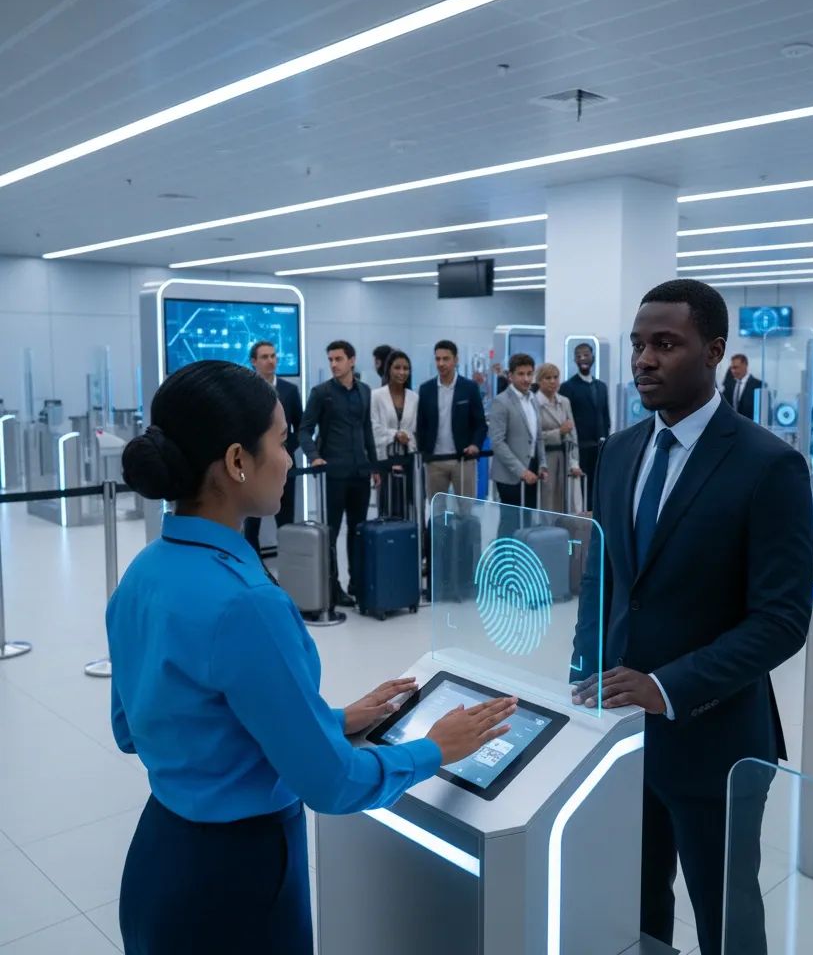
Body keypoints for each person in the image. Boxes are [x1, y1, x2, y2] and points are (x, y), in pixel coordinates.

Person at [111, 359, 516, 955]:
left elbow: (134, 729)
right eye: (282, 440)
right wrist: (436, 749)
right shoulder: (248, 604)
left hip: (160, 862)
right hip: (239, 881)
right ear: (236, 461)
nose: (292, 456)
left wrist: (328, 720)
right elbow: (331, 784)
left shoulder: (143, 574)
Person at [571, 279, 813, 955]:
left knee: (725, 916)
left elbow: (783, 619)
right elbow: (605, 574)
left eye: (666, 345)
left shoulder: (770, 466)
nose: (644, 360)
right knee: (635, 906)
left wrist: (668, 686)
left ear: (713, 352)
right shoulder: (617, 451)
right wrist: (581, 672)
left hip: (716, 744)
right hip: (620, 739)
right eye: (638, 345)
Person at [299, 340, 379, 612]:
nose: (333, 364)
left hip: (360, 472)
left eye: (338, 359)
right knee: (330, 533)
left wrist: (374, 465)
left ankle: (358, 584)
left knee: (358, 531)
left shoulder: (365, 391)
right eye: (330, 359)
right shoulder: (321, 393)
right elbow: (304, 429)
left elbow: (366, 429)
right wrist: (314, 456)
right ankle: (333, 589)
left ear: (352, 360)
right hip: (333, 473)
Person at [243, 341, 303, 556]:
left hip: (284, 463)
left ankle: (290, 564)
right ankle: (253, 566)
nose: (271, 361)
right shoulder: (244, 390)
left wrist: (284, 449)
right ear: (254, 362)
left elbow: (300, 425)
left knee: (286, 519)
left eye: (273, 356)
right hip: (253, 464)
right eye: (265, 357)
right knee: (251, 521)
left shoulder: (290, 390)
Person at [417, 339, 487, 504]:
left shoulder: (469, 388)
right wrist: (424, 453)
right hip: (435, 460)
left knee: (466, 511)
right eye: (438, 359)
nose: (441, 363)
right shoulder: (426, 389)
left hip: (462, 459)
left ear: (456, 360)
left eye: (446, 358)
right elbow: (421, 424)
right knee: (437, 512)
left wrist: (476, 445)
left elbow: (480, 423)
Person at [490, 353, 547, 534]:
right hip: (510, 474)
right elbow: (497, 443)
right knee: (510, 523)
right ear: (511, 376)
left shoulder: (533, 399)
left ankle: (522, 561)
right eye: (521, 374)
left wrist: (543, 464)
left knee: (527, 521)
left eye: (529, 373)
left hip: (532, 468)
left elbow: (538, 436)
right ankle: (503, 560)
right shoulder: (501, 401)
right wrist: (521, 471)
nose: (526, 378)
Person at [559, 342, 610, 511]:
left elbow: (605, 416)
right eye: (579, 356)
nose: (583, 359)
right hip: (578, 448)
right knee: (578, 493)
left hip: (599, 447)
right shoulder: (567, 387)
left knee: (597, 489)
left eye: (586, 355)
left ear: (593, 357)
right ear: (574, 360)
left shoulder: (601, 386)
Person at [370, 349, 418, 519]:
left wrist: (408, 438)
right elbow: (373, 428)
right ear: (389, 369)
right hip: (385, 461)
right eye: (397, 367)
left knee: (409, 506)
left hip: (409, 461)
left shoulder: (414, 397)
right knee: (387, 508)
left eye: (406, 368)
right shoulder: (376, 396)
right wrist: (395, 435)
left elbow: (418, 430)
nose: (402, 372)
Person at [535, 362, 581, 514]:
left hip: (565, 456)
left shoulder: (564, 401)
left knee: (566, 501)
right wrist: (559, 432)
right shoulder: (534, 403)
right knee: (547, 500)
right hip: (545, 458)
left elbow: (572, 433)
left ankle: (564, 534)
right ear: (539, 380)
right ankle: (547, 533)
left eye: (555, 377)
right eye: (548, 378)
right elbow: (535, 436)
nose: (553, 381)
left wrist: (575, 462)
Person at [721, 353, 762, 420]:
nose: (733, 371)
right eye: (731, 368)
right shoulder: (729, 384)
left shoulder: (758, 385)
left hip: (750, 425)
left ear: (745, 365)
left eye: (736, 367)